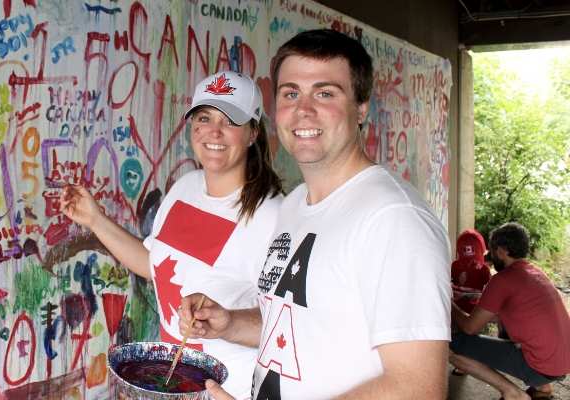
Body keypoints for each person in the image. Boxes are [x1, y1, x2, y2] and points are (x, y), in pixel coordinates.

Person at [179, 28, 452, 399]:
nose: (303, 109)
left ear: (361, 108)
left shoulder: (393, 219)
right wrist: (229, 324)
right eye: (291, 93)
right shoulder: (295, 205)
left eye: (324, 93)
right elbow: (298, 327)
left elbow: (417, 388)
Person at [60, 71, 284, 398]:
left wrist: (227, 320)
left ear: (252, 133)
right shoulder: (185, 188)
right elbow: (155, 266)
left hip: (231, 391)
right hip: (175, 385)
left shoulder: (271, 216)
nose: (214, 132)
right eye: (204, 118)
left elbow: (288, 330)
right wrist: (95, 220)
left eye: (231, 121)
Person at [450, 222, 570, 400]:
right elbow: (512, 315)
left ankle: (512, 393)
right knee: (509, 332)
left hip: (541, 365)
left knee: (452, 347)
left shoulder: (503, 280)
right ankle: (543, 388)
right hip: (563, 361)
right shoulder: (536, 273)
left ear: (502, 250)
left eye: (492, 250)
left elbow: (469, 327)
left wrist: (448, 302)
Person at [451, 229, 491, 316]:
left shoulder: (455, 265)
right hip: (466, 311)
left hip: (463, 311)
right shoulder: (484, 269)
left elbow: (487, 293)